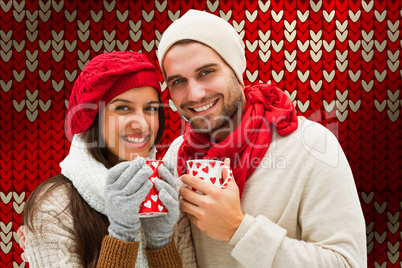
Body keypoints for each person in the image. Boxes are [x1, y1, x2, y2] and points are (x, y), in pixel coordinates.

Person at [157, 10, 366, 267]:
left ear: (236, 69)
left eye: (206, 72)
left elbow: (348, 263)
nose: (195, 93)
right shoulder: (177, 154)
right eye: (178, 81)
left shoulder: (311, 145)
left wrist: (238, 230)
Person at [18, 51, 197, 267]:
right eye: (123, 108)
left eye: (150, 108)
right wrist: (121, 235)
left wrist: (160, 243)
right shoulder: (53, 209)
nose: (141, 123)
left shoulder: (167, 194)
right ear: (93, 118)